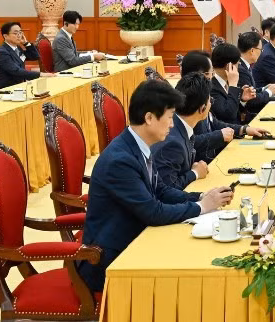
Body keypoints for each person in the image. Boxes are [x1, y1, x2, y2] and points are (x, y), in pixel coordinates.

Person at [77, 80, 234, 292]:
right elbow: (153, 211)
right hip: (109, 261)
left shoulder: (139, 144)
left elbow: (161, 191)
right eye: (169, 117)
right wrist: (202, 207)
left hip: (135, 238)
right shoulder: (120, 160)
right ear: (149, 118)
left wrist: (201, 196)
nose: (172, 124)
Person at [180, 50, 269, 163]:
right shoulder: (188, 99)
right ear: (201, 75)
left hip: (211, 158)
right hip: (200, 163)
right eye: (210, 73)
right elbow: (188, 141)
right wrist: (219, 135)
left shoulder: (201, 93)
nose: (213, 76)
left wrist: (244, 129)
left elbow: (214, 122)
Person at [151, 73, 211, 190]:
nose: (211, 105)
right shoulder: (172, 142)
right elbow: (168, 189)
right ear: (202, 108)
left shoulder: (178, 123)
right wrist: (195, 173)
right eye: (210, 101)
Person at [0, 21, 53, 89]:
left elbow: (34, 56)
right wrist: (40, 74)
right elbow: (16, 71)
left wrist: (26, 43)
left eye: (20, 32)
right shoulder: (2, 53)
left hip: (18, 86)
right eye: (15, 33)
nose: (19, 35)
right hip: (5, 89)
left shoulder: (17, 48)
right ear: (5, 36)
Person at [238, 32, 275, 119]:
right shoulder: (241, 70)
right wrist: (269, 92)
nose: (262, 53)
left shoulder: (246, 65)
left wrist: (264, 88)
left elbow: (251, 91)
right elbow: (250, 100)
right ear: (252, 51)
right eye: (261, 50)